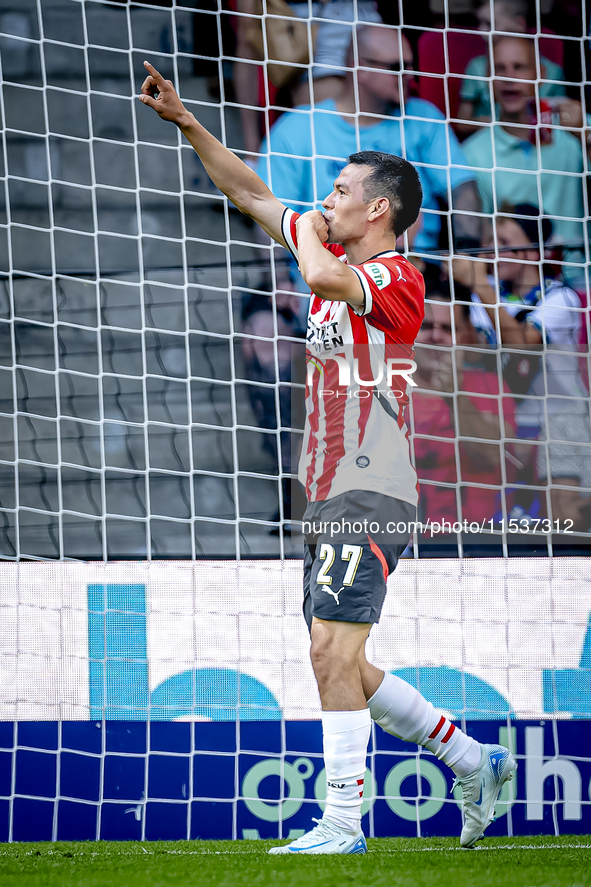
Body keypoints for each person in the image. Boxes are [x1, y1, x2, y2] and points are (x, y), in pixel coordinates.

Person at [139, 61, 516, 855]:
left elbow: (313, 265)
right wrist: (189, 125)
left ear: (377, 209)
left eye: (340, 189)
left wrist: (305, 225)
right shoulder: (335, 254)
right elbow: (248, 191)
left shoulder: (395, 276)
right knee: (341, 655)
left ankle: (342, 823)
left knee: (327, 649)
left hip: (372, 485)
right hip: (327, 486)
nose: (325, 196)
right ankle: (472, 758)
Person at [257, 24, 482, 259]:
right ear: (360, 67)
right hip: (321, 271)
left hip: (415, 268)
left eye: (411, 66)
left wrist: (467, 254)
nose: (410, 77)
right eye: (397, 68)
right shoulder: (297, 127)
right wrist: (281, 283)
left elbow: (462, 188)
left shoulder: (423, 117)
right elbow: (273, 215)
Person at [454, 204, 591, 532]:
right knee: (507, 519)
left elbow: (521, 343)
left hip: (560, 417)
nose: (491, 251)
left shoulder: (561, 298)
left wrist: (481, 288)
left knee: (562, 513)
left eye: (503, 242)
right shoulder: (481, 299)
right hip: (506, 421)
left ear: (532, 254)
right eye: (489, 242)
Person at [462, 35, 585, 285]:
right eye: (500, 68)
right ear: (488, 78)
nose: (509, 77)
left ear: (539, 74)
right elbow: (484, 235)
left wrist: (586, 135)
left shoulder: (574, 132)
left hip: (579, 279)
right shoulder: (471, 153)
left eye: (519, 67)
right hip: (512, 288)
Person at [412, 280, 517, 527]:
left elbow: (494, 457)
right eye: (426, 326)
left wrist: (455, 396)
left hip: (476, 538)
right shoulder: (379, 387)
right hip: (398, 538)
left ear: (465, 335)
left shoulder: (491, 387)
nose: (435, 336)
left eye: (447, 329)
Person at [456, 0, 566, 138]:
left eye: (490, 24)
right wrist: (500, 124)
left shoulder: (553, 72)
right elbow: (461, 123)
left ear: (520, 23)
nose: (481, 31)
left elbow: (561, 124)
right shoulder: (476, 68)